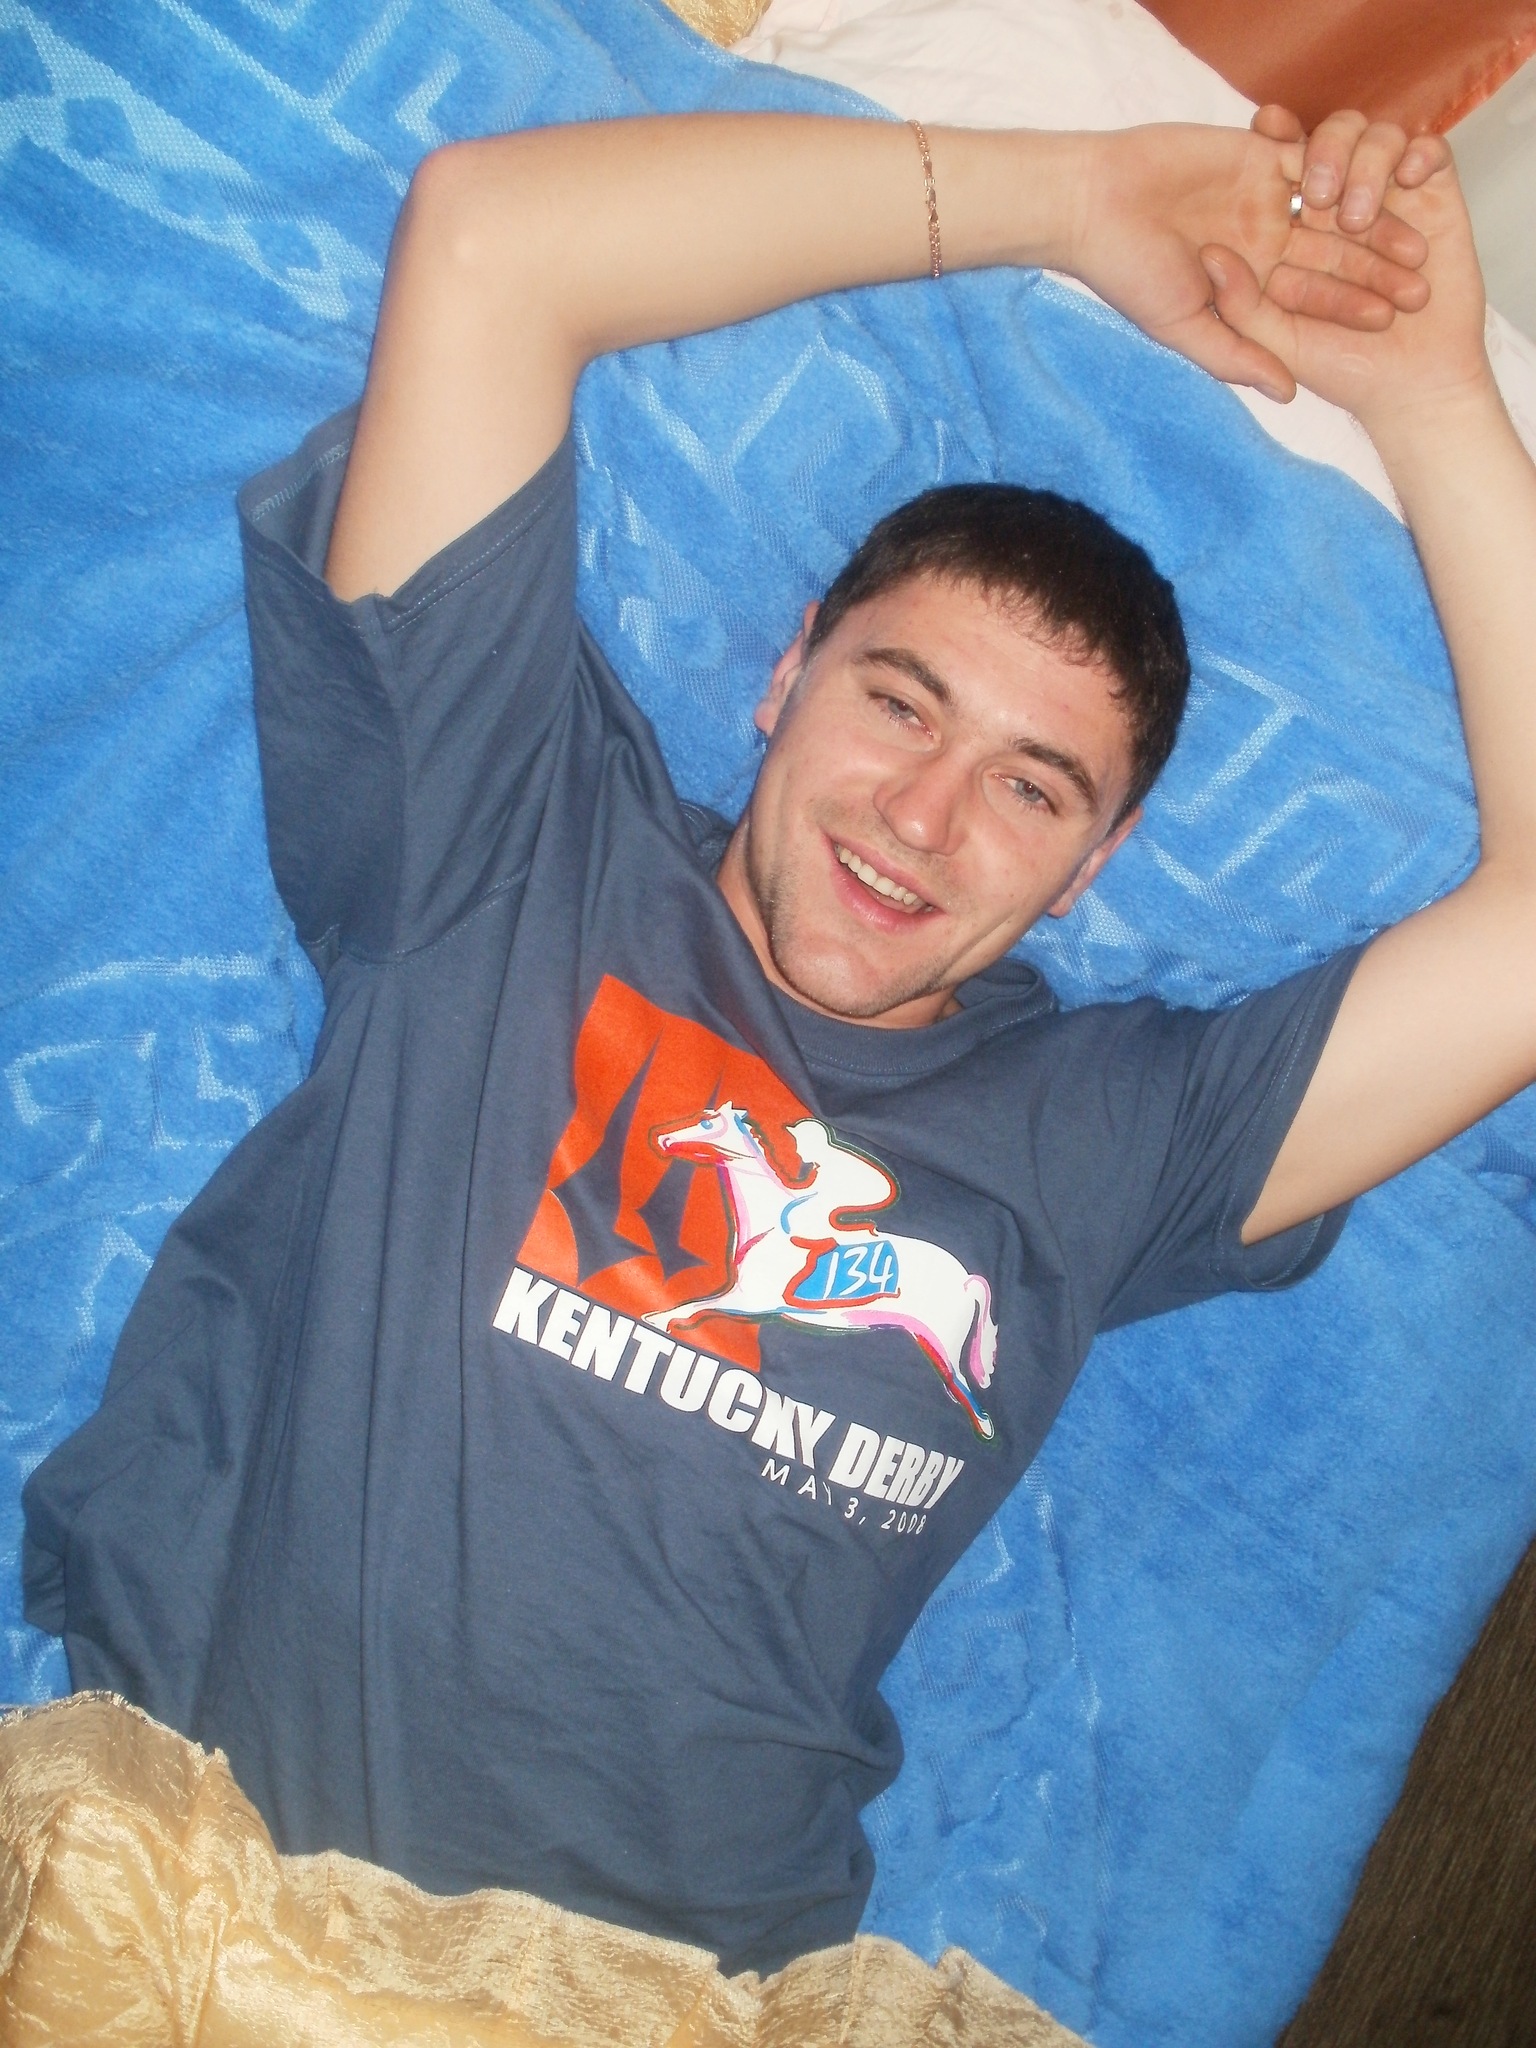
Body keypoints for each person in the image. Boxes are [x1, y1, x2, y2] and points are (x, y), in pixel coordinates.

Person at [23, 104, 1536, 1976]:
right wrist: (1071, 199)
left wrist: (1433, 394)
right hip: (194, 1905)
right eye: (898, 701)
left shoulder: (1118, 1134)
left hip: (678, 1997)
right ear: (783, 672)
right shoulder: (502, 843)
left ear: (1093, 868)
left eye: (1032, 789)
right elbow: (496, 241)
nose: (923, 817)